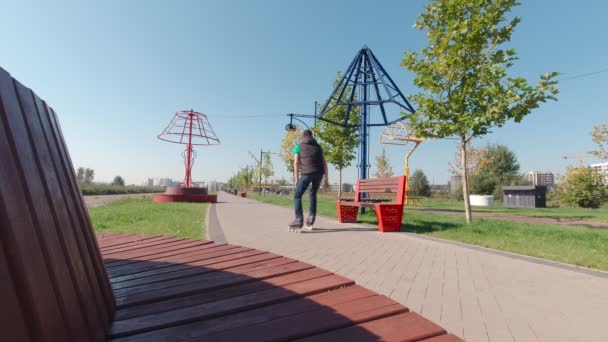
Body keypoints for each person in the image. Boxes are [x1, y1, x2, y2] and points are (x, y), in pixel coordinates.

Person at [289, 129, 329, 231]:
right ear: (312, 136)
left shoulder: (299, 146)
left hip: (307, 173)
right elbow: (325, 163)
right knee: (313, 193)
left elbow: (296, 161)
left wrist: (296, 177)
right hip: (319, 173)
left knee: (297, 195)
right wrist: (326, 179)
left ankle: (298, 219)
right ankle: (311, 218)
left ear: (303, 136)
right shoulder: (319, 147)